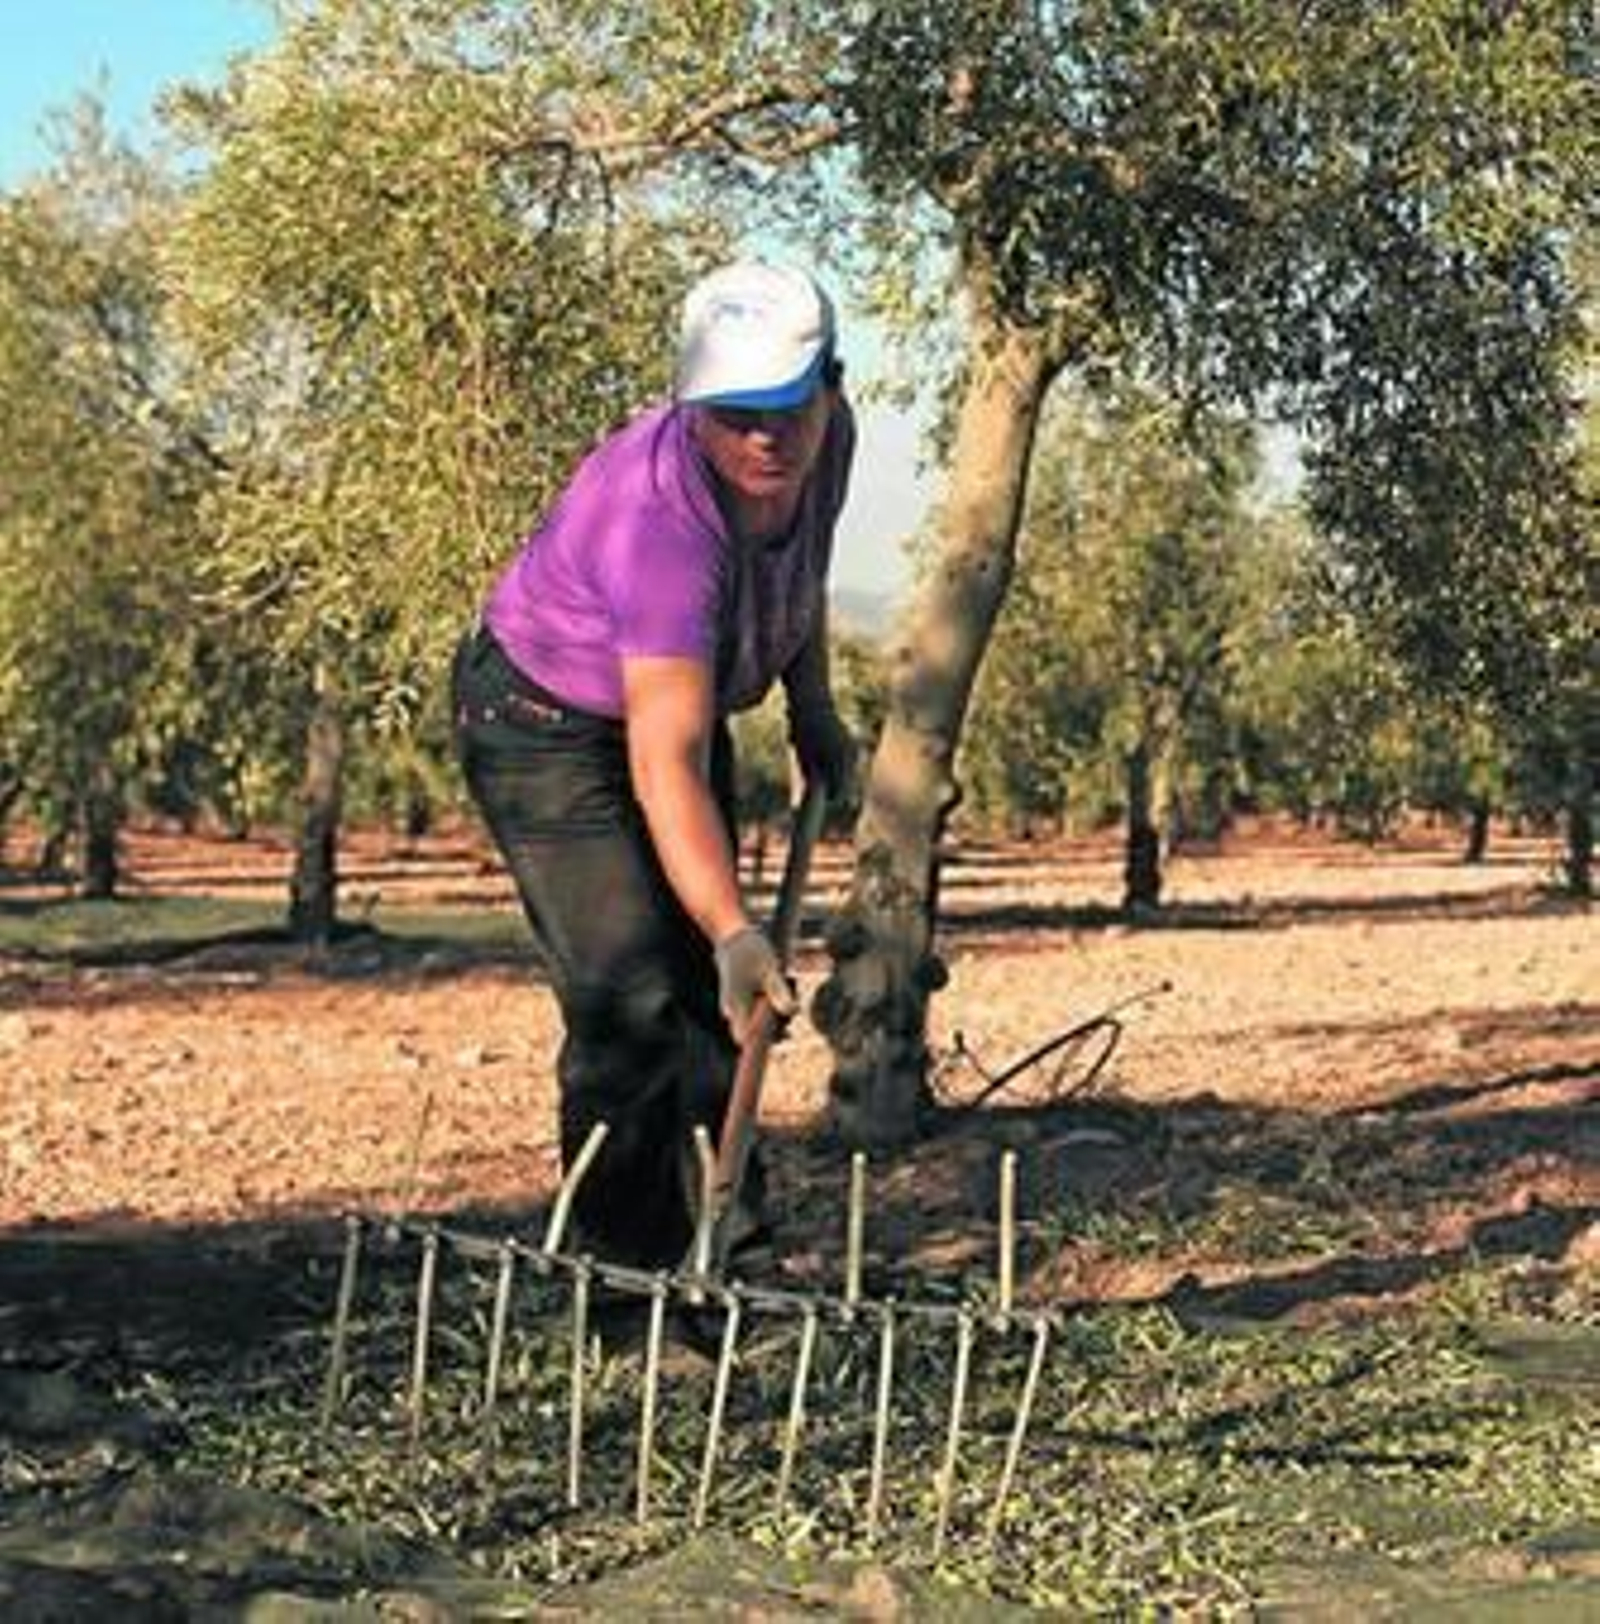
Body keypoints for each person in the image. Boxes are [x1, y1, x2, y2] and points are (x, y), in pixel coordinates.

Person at [452, 260, 857, 1267]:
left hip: (666, 711)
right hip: (542, 721)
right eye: (734, 414)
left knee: (716, 998)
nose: (765, 437)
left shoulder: (829, 441)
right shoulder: (659, 520)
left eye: (786, 407)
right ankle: (624, 1283)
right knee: (633, 990)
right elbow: (666, 757)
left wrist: (813, 708)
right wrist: (731, 928)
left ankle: (728, 1245)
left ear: (829, 388)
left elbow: (797, 574)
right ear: (693, 406)